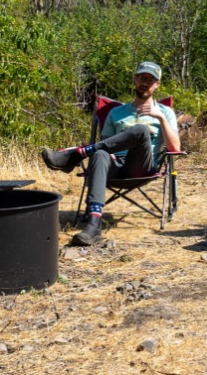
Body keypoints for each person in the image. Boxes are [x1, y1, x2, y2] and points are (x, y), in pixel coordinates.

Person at [41, 62, 180, 246]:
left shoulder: (165, 112)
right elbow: (105, 143)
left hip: (142, 167)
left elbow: (175, 149)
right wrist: (109, 154)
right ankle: (94, 224)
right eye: (142, 78)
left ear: (157, 84)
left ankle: (76, 155)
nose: (145, 82)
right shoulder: (116, 113)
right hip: (115, 166)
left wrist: (160, 118)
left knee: (140, 130)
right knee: (99, 155)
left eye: (150, 79)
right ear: (135, 79)